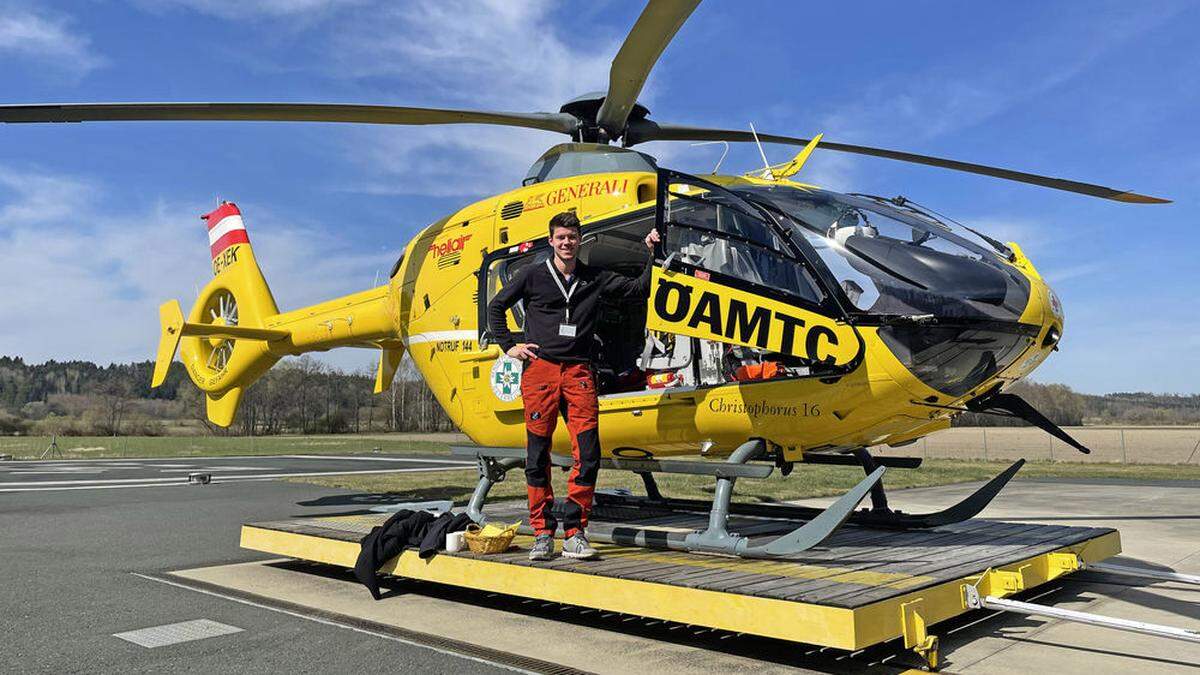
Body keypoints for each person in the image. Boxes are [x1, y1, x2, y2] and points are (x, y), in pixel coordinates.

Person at [486, 211, 659, 560]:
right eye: (560, 237)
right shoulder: (532, 275)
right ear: (551, 241)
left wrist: (651, 252)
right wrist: (509, 346)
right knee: (537, 456)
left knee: (589, 453)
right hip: (540, 371)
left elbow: (638, 289)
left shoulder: (594, 278)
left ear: (580, 240)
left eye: (572, 237)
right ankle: (542, 532)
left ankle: (575, 531)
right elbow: (496, 307)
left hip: (579, 372)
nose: (566, 243)